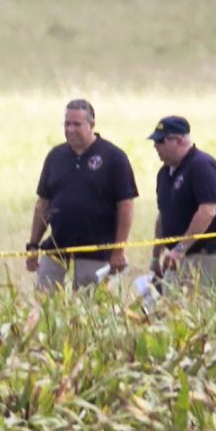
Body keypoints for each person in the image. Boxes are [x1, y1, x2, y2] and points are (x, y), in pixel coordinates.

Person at [26, 99, 138, 291]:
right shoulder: (56, 156)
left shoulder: (114, 157)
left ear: (91, 124)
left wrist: (118, 250)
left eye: (76, 124)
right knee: (44, 301)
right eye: (67, 124)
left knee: (91, 308)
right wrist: (33, 245)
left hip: (96, 249)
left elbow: (125, 206)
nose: (70, 129)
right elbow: (43, 204)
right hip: (57, 246)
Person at [147, 115, 216, 291]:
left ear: (178, 140)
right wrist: (156, 257)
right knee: (171, 312)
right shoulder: (164, 174)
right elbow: (164, 215)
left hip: (213, 255)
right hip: (180, 258)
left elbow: (207, 211)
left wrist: (180, 248)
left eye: (160, 141)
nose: (155, 146)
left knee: (208, 311)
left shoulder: (201, 165)